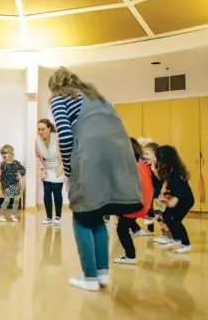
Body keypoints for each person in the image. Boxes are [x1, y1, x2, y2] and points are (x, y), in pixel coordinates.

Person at [49, 67, 142, 292]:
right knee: (98, 212)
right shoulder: (101, 99)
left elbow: (65, 133)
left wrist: (69, 171)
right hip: (119, 157)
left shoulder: (60, 98)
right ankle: (102, 273)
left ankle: (89, 278)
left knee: (81, 214)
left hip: (90, 157)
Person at [114, 138, 154, 265]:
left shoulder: (130, 168)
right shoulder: (143, 165)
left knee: (121, 228)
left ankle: (130, 256)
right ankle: (137, 230)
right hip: (144, 203)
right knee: (120, 218)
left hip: (135, 203)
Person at [157, 145, 194, 253]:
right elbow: (170, 185)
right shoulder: (169, 170)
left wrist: (175, 199)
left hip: (186, 200)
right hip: (178, 198)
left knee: (176, 221)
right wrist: (163, 194)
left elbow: (182, 189)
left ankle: (186, 244)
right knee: (166, 216)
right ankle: (176, 239)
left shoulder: (177, 171)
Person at [35, 119, 64, 225]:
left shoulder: (57, 138)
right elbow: (37, 156)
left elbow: (65, 152)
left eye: (43, 129)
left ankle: (58, 216)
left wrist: (62, 166)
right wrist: (42, 169)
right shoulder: (37, 141)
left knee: (57, 192)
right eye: (39, 129)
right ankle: (48, 217)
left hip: (58, 167)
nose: (41, 131)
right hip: (46, 169)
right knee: (47, 193)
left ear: (49, 128)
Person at [0, 145, 26, 223]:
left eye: (5, 152)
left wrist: (20, 174)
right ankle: (2, 215)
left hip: (15, 184)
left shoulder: (16, 163)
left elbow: (23, 170)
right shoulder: (3, 165)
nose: (3, 154)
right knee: (7, 200)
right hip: (6, 185)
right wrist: (6, 186)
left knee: (17, 199)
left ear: (11, 153)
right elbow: (2, 177)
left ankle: (14, 215)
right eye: (2, 153)